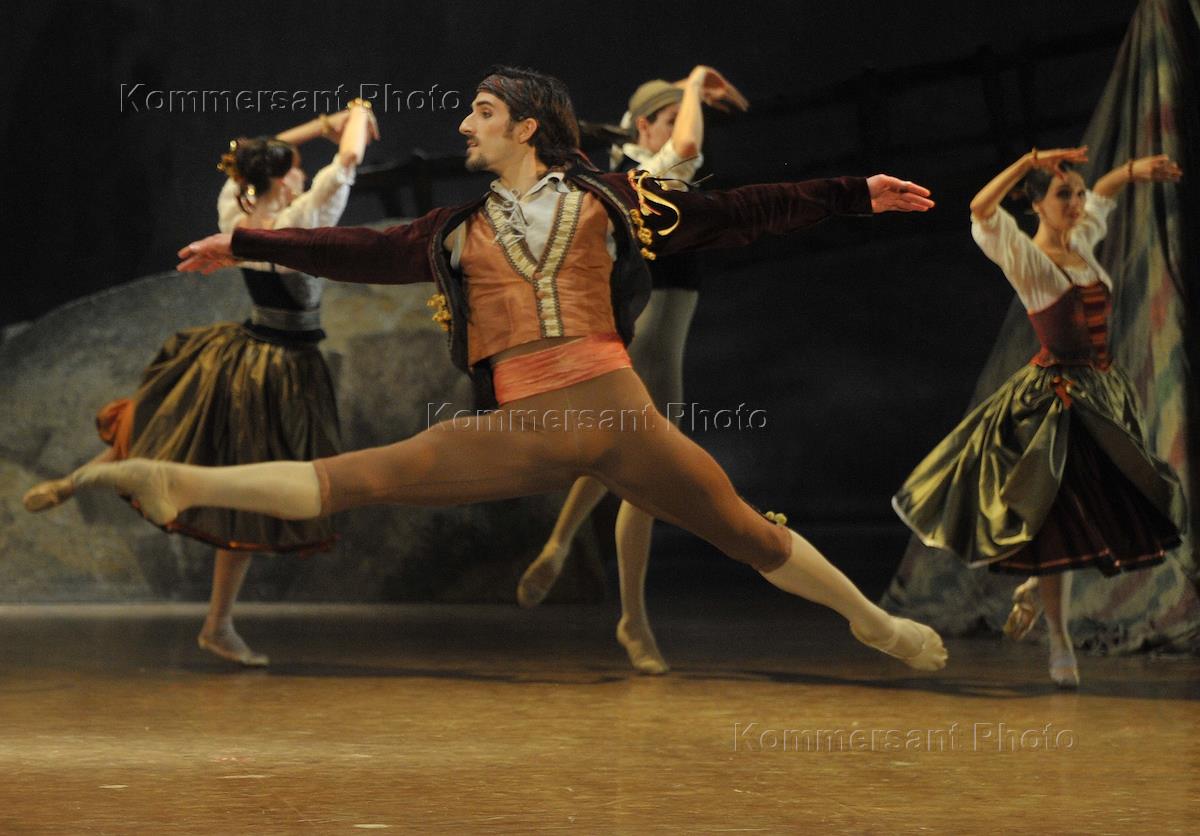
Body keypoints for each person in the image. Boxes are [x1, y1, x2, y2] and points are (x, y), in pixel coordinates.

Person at [57, 66, 946, 673]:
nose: (463, 125)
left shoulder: (613, 199)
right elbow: (358, 247)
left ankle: (876, 625)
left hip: (620, 418)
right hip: (532, 427)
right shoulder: (456, 230)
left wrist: (853, 193)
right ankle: (180, 480)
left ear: (525, 125)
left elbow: (735, 212)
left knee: (748, 533)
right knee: (362, 476)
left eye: (480, 112)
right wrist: (249, 241)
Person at [22, 101, 378, 666]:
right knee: (244, 491)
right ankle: (218, 624)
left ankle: (85, 475)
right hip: (283, 370)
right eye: (295, 169)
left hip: (241, 351)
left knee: (172, 433)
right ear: (284, 181)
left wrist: (317, 126)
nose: (303, 173)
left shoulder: (235, 210)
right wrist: (357, 111)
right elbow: (350, 159)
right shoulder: (301, 221)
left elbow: (250, 157)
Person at [892, 146, 1185, 687]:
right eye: (1063, 195)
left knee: (1106, 511)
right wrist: (1031, 161)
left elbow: (1102, 198)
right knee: (1057, 522)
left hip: (1103, 396)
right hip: (1056, 403)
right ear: (1036, 206)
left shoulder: (1081, 244)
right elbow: (981, 208)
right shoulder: (1027, 259)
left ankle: (1035, 590)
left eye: (1077, 194)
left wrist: (1131, 171)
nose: (1076, 203)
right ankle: (1060, 639)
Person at [516, 65, 748, 675]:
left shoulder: (625, 171)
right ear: (644, 126)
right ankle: (631, 618)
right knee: (644, 473)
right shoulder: (647, 176)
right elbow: (689, 144)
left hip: (649, 337)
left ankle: (567, 550)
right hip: (650, 342)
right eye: (666, 119)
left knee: (624, 461)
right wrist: (693, 84)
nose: (681, 128)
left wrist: (692, 95)